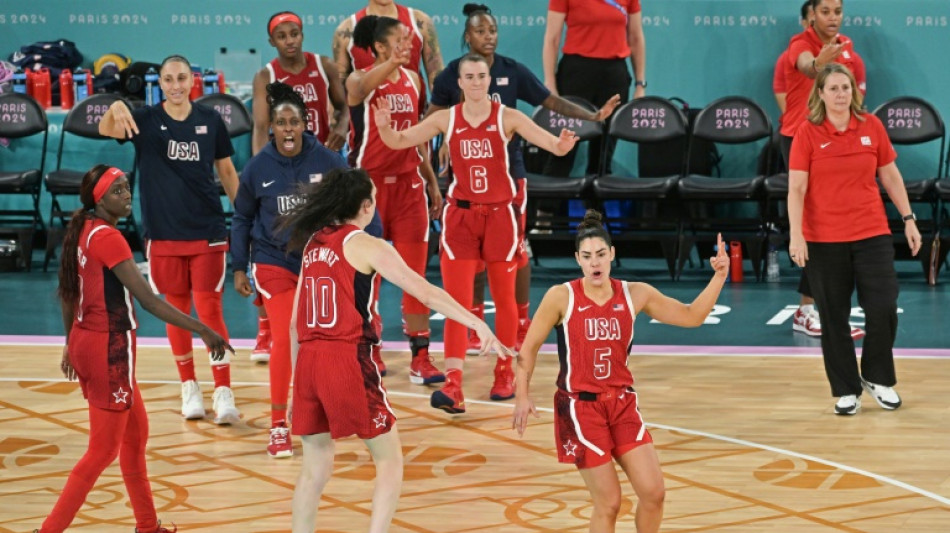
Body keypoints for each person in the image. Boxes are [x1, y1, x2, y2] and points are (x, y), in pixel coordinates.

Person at [283, 167, 508, 533]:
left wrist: (295, 386)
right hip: (346, 359)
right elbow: (425, 293)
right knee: (389, 461)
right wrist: (476, 323)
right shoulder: (367, 245)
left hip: (308, 362)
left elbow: (295, 324)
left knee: (314, 468)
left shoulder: (313, 244)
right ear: (366, 205)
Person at [374, 53, 578, 412]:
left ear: (489, 79)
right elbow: (401, 140)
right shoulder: (446, 118)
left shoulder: (507, 116)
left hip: (500, 216)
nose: (476, 82)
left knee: (504, 298)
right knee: (456, 301)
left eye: (481, 76)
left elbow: (551, 145)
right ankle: (453, 383)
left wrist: (563, 144)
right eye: (469, 77)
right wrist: (386, 128)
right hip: (461, 217)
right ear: (460, 82)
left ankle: (505, 370)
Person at [39, 165, 232, 533]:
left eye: (127, 187)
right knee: (101, 452)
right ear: (99, 200)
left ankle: (147, 526)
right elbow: (149, 301)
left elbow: (68, 293)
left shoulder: (82, 228)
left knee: (136, 436)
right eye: (117, 191)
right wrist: (203, 330)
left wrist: (69, 341)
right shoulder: (108, 238)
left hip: (86, 341)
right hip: (108, 349)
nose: (126, 195)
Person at [512, 210, 729, 533]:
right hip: (579, 409)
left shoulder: (635, 293)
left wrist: (719, 277)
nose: (595, 263)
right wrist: (522, 395)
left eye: (601, 254)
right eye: (587, 257)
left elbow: (691, 316)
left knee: (654, 494)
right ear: (578, 259)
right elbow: (527, 349)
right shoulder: (561, 297)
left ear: (612, 254)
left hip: (622, 404)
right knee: (609, 502)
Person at [428, 3, 620, 354]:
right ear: (467, 36)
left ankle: (520, 320)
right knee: (472, 260)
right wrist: (441, 144)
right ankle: (474, 323)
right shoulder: (453, 75)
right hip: (468, 181)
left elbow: (551, 102)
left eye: (493, 30)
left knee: (516, 253)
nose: (489, 37)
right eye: (481, 31)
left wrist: (592, 116)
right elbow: (434, 117)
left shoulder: (511, 70)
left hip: (509, 179)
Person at [98, 54, 241, 425]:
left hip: (207, 230)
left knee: (210, 310)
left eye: (181, 78)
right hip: (163, 232)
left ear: (192, 81)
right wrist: (115, 106)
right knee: (176, 309)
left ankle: (223, 390)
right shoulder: (144, 120)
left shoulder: (210, 120)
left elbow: (227, 172)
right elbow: (105, 129)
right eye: (168, 79)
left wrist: (246, 218)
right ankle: (189, 386)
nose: (176, 85)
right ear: (159, 83)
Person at [788, 63, 920, 416]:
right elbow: (797, 188)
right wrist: (796, 234)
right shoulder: (807, 132)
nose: (840, 94)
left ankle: (878, 378)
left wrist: (908, 219)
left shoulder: (871, 126)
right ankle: (846, 389)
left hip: (871, 232)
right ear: (820, 93)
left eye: (845, 87)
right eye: (833, 88)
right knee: (833, 317)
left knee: (883, 306)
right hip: (824, 238)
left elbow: (890, 175)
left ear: (854, 91)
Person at [232, 82, 348, 458]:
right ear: (272, 128)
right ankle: (278, 424)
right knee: (287, 334)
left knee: (321, 340)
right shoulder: (258, 167)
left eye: (293, 122)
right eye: (280, 122)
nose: (287, 129)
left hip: (318, 262)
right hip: (273, 260)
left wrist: (366, 247)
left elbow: (356, 200)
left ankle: (317, 410)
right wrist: (238, 267)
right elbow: (241, 217)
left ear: (304, 125)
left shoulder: (328, 161)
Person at [248, 12, 350, 364]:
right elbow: (260, 128)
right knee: (272, 244)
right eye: (282, 36)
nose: (289, 40)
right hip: (282, 167)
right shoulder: (266, 76)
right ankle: (266, 327)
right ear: (272, 42)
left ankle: (325, 323)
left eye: (294, 34)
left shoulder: (324, 67)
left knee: (321, 245)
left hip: (318, 166)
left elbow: (344, 108)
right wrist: (259, 172)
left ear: (302, 34)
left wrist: (341, 127)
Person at [347, 15, 444, 385]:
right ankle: (368, 348)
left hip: (408, 186)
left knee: (414, 274)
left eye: (409, 39)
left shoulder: (413, 80)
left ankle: (421, 356)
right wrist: (390, 63)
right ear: (380, 46)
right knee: (366, 275)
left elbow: (417, 136)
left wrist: (431, 182)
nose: (408, 44)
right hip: (368, 189)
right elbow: (360, 88)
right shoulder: (358, 79)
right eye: (400, 39)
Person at [780, 0, 867, 340]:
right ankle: (806, 310)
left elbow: (854, 97)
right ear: (812, 15)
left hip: (836, 141)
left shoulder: (848, 48)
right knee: (816, 224)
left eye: (838, 11)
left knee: (835, 224)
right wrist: (820, 62)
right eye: (826, 11)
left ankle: (819, 309)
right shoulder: (799, 44)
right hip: (801, 140)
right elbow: (807, 66)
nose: (833, 17)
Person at [541, 0, 645, 177]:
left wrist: (640, 84)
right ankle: (550, 196)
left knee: (603, 152)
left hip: (614, 76)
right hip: (576, 75)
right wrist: (550, 82)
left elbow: (635, 37)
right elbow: (552, 39)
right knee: (564, 149)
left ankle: (597, 195)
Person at [333, 0, 444, 97]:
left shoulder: (420, 22)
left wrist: (441, 110)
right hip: (366, 113)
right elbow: (339, 87)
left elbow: (436, 75)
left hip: (415, 112)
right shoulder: (345, 30)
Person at [773, 2, 814, 114]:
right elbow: (787, 110)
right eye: (814, 22)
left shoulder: (849, 56)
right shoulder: (785, 59)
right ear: (804, 23)